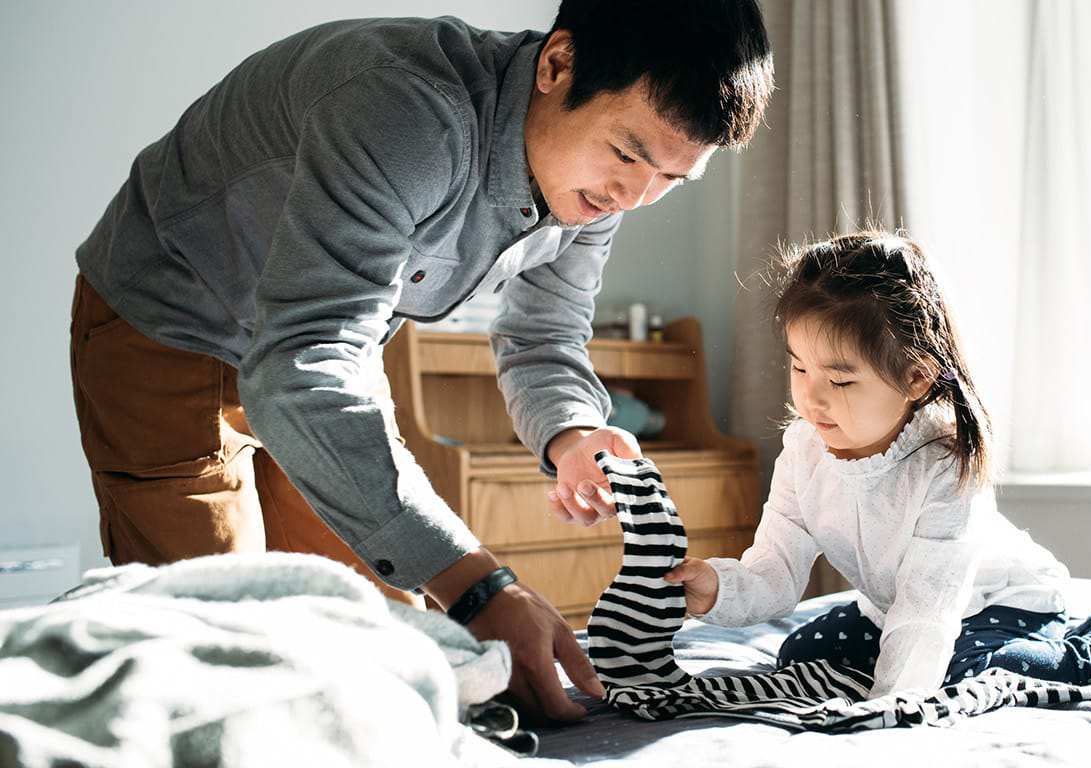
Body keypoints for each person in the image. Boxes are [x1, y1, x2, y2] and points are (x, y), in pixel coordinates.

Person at [68, 1, 774, 721]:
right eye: (627, 155)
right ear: (557, 65)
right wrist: (480, 587)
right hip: (172, 320)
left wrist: (570, 434)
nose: (636, 196)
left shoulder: (604, 191)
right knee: (219, 654)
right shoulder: (406, 110)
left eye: (672, 180)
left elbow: (544, 336)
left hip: (327, 348)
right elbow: (301, 363)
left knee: (379, 638)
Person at [664, 231, 1091, 696]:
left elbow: (928, 606)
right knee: (802, 653)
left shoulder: (945, 462)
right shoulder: (804, 450)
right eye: (800, 368)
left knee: (973, 672)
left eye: (842, 380)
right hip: (894, 607)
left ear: (918, 377)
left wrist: (893, 705)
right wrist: (716, 587)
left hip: (998, 600)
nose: (813, 398)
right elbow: (775, 572)